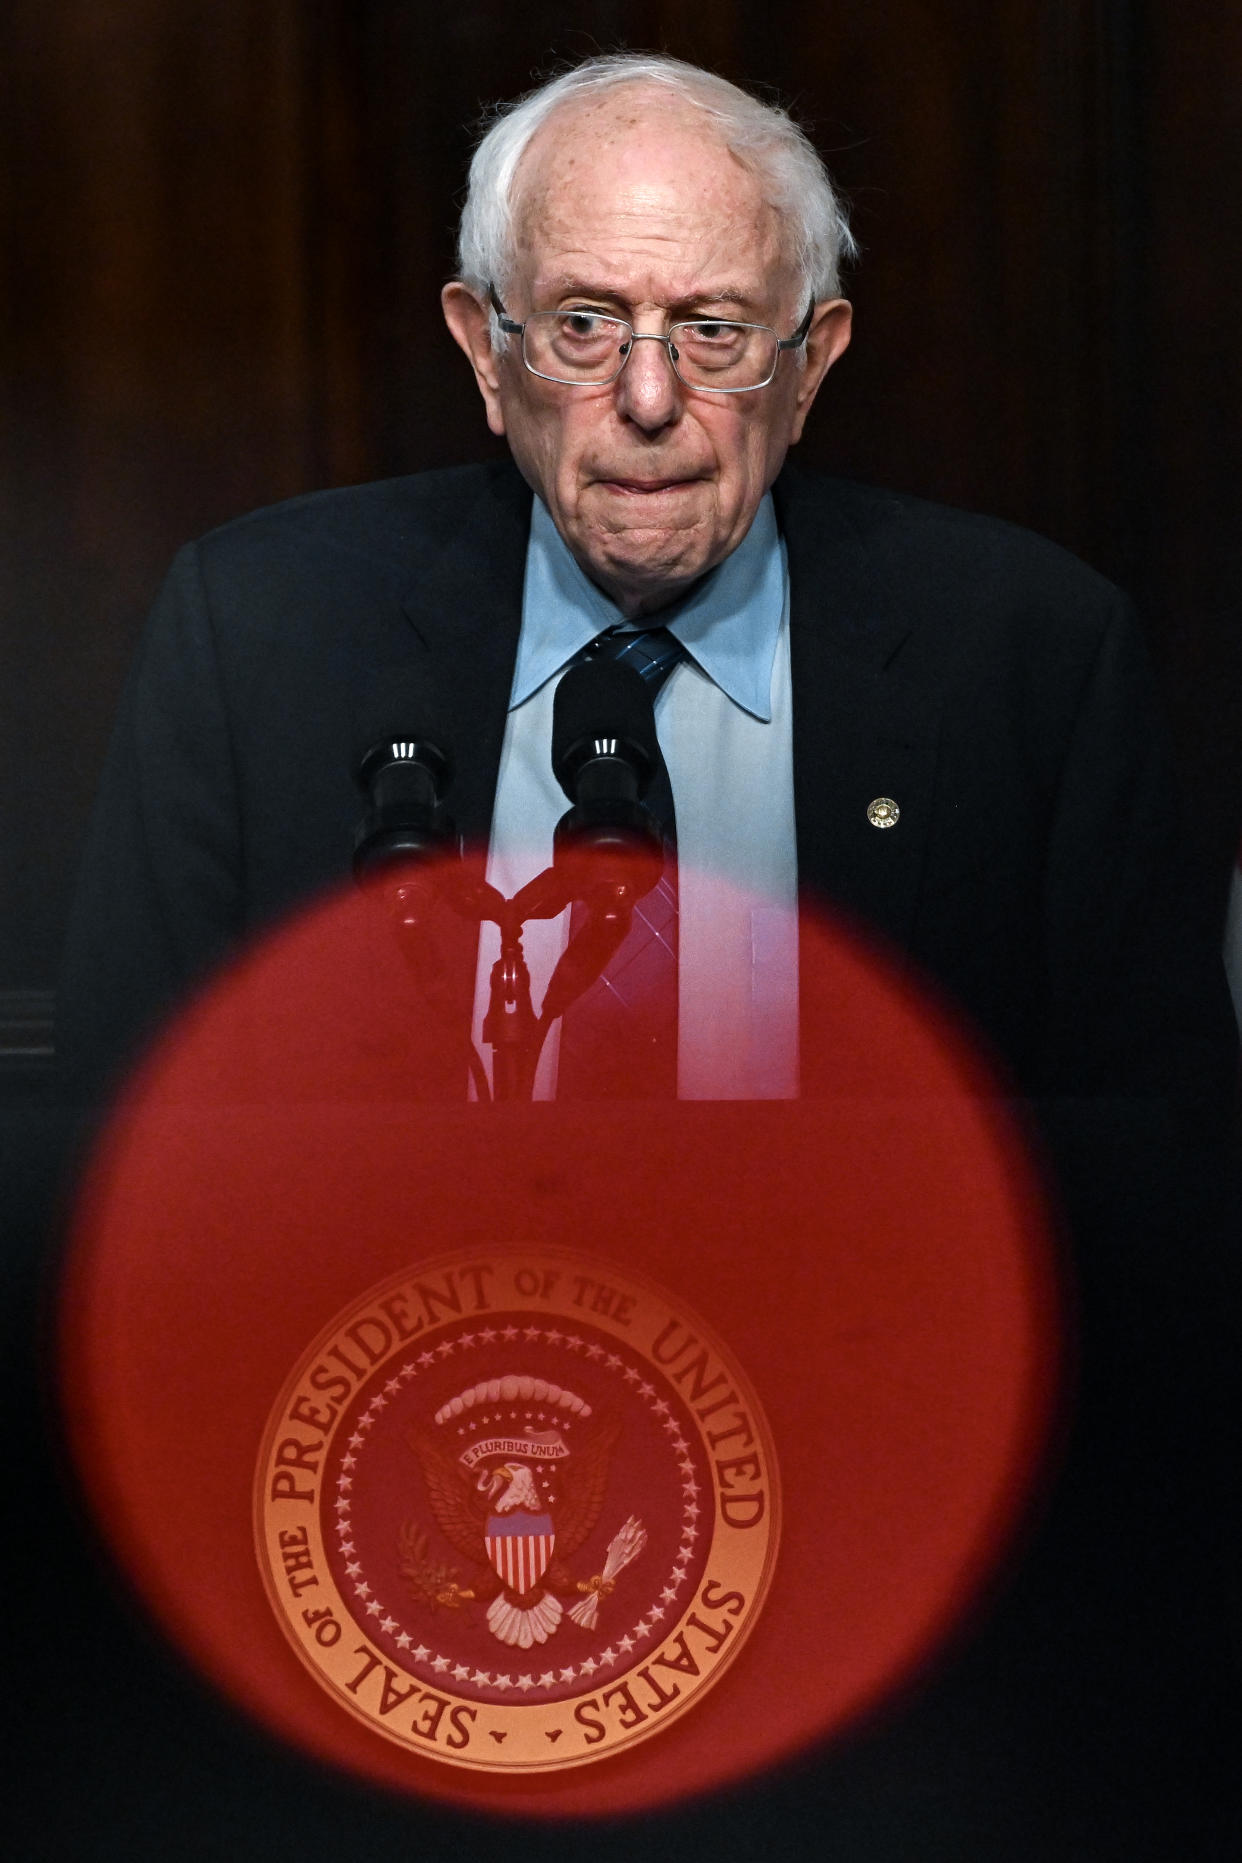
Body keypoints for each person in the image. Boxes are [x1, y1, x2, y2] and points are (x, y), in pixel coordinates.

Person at [58, 51, 1236, 1122]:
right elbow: (129, 1157)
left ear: (810, 365)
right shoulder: (261, 634)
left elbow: (1150, 1175)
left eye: (713, 332)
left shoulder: (1029, 654)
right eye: (585, 323)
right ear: (485, 351)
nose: (650, 398)